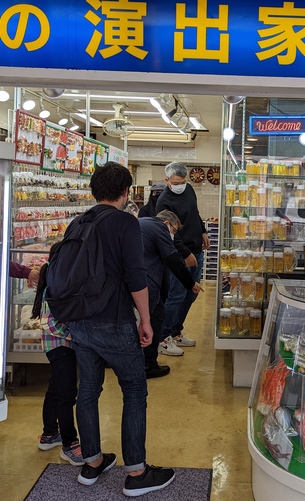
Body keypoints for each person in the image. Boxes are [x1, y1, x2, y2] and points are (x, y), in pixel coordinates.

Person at [66, 163, 175, 496]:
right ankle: (137, 473)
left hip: (79, 322)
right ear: (127, 193)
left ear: (93, 190)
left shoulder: (77, 222)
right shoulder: (126, 222)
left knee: (87, 392)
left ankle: (93, 462)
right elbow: (136, 276)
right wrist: (146, 320)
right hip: (114, 321)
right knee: (134, 391)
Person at [32, 244, 83, 465]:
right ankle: (69, 445)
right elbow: (50, 323)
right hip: (60, 346)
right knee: (66, 394)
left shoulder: (58, 280)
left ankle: (49, 434)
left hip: (58, 346)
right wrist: (77, 335)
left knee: (55, 388)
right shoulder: (56, 285)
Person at [140, 210, 203, 378]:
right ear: (167, 224)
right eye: (174, 231)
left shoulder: (144, 223)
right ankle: (148, 366)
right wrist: (191, 284)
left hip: (133, 280)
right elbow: (173, 260)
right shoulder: (160, 229)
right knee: (155, 318)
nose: (173, 236)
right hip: (146, 282)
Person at [155, 162, 209, 353]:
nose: (181, 185)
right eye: (177, 182)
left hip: (197, 250)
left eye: (184, 181)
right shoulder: (163, 201)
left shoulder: (189, 190)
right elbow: (168, 233)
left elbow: (195, 213)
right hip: (179, 255)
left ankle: (176, 331)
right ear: (167, 181)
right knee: (176, 296)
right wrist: (185, 254)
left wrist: (202, 231)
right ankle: (163, 338)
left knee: (191, 294)